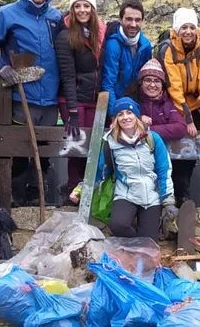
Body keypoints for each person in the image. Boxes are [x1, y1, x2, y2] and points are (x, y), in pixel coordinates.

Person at [0, 0, 62, 206]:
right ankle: (13, 198)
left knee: (45, 149)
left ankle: (38, 196)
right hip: (20, 97)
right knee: (18, 147)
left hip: (50, 99)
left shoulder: (55, 18)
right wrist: (2, 68)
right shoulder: (7, 14)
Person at [72, 97, 175, 241]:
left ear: (136, 116)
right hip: (126, 193)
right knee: (118, 225)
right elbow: (100, 172)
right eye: (120, 114)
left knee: (149, 241)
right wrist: (81, 189)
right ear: (116, 120)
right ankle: (137, 243)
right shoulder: (110, 142)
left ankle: (145, 241)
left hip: (151, 195)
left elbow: (164, 170)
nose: (125, 117)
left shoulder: (153, 138)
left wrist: (168, 200)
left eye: (129, 112)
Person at [55, 0, 106, 197]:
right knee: (76, 146)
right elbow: (67, 76)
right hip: (74, 99)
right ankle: (72, 190)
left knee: (94, 146)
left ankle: (89, 190)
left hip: (94, 98)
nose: (82, 10)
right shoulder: (65, 36)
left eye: (86, 6)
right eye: (77, 6)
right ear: (72, 9)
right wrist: (73, 112)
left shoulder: (99, 33)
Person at [160, 7, 200, 205]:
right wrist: (187, 117)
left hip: (194, 103)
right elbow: (174, 86)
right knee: (176, 142)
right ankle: (172, 192)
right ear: (177, 30)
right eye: (184, 28)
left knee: (192, 146)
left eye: (191, 27)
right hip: (174, 104)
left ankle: (184, 191)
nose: (188, 32)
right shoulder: (168, 50)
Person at [100, 0, 152, 112]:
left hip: (135, 104)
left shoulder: (145, 46)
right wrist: (114, 113)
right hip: (114, 103)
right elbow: (108, 83)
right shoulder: (113, 44)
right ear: (120, 19)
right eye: (129, 19)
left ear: (143, 21)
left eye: (137, 20)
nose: (133, 24)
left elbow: (144, 81)